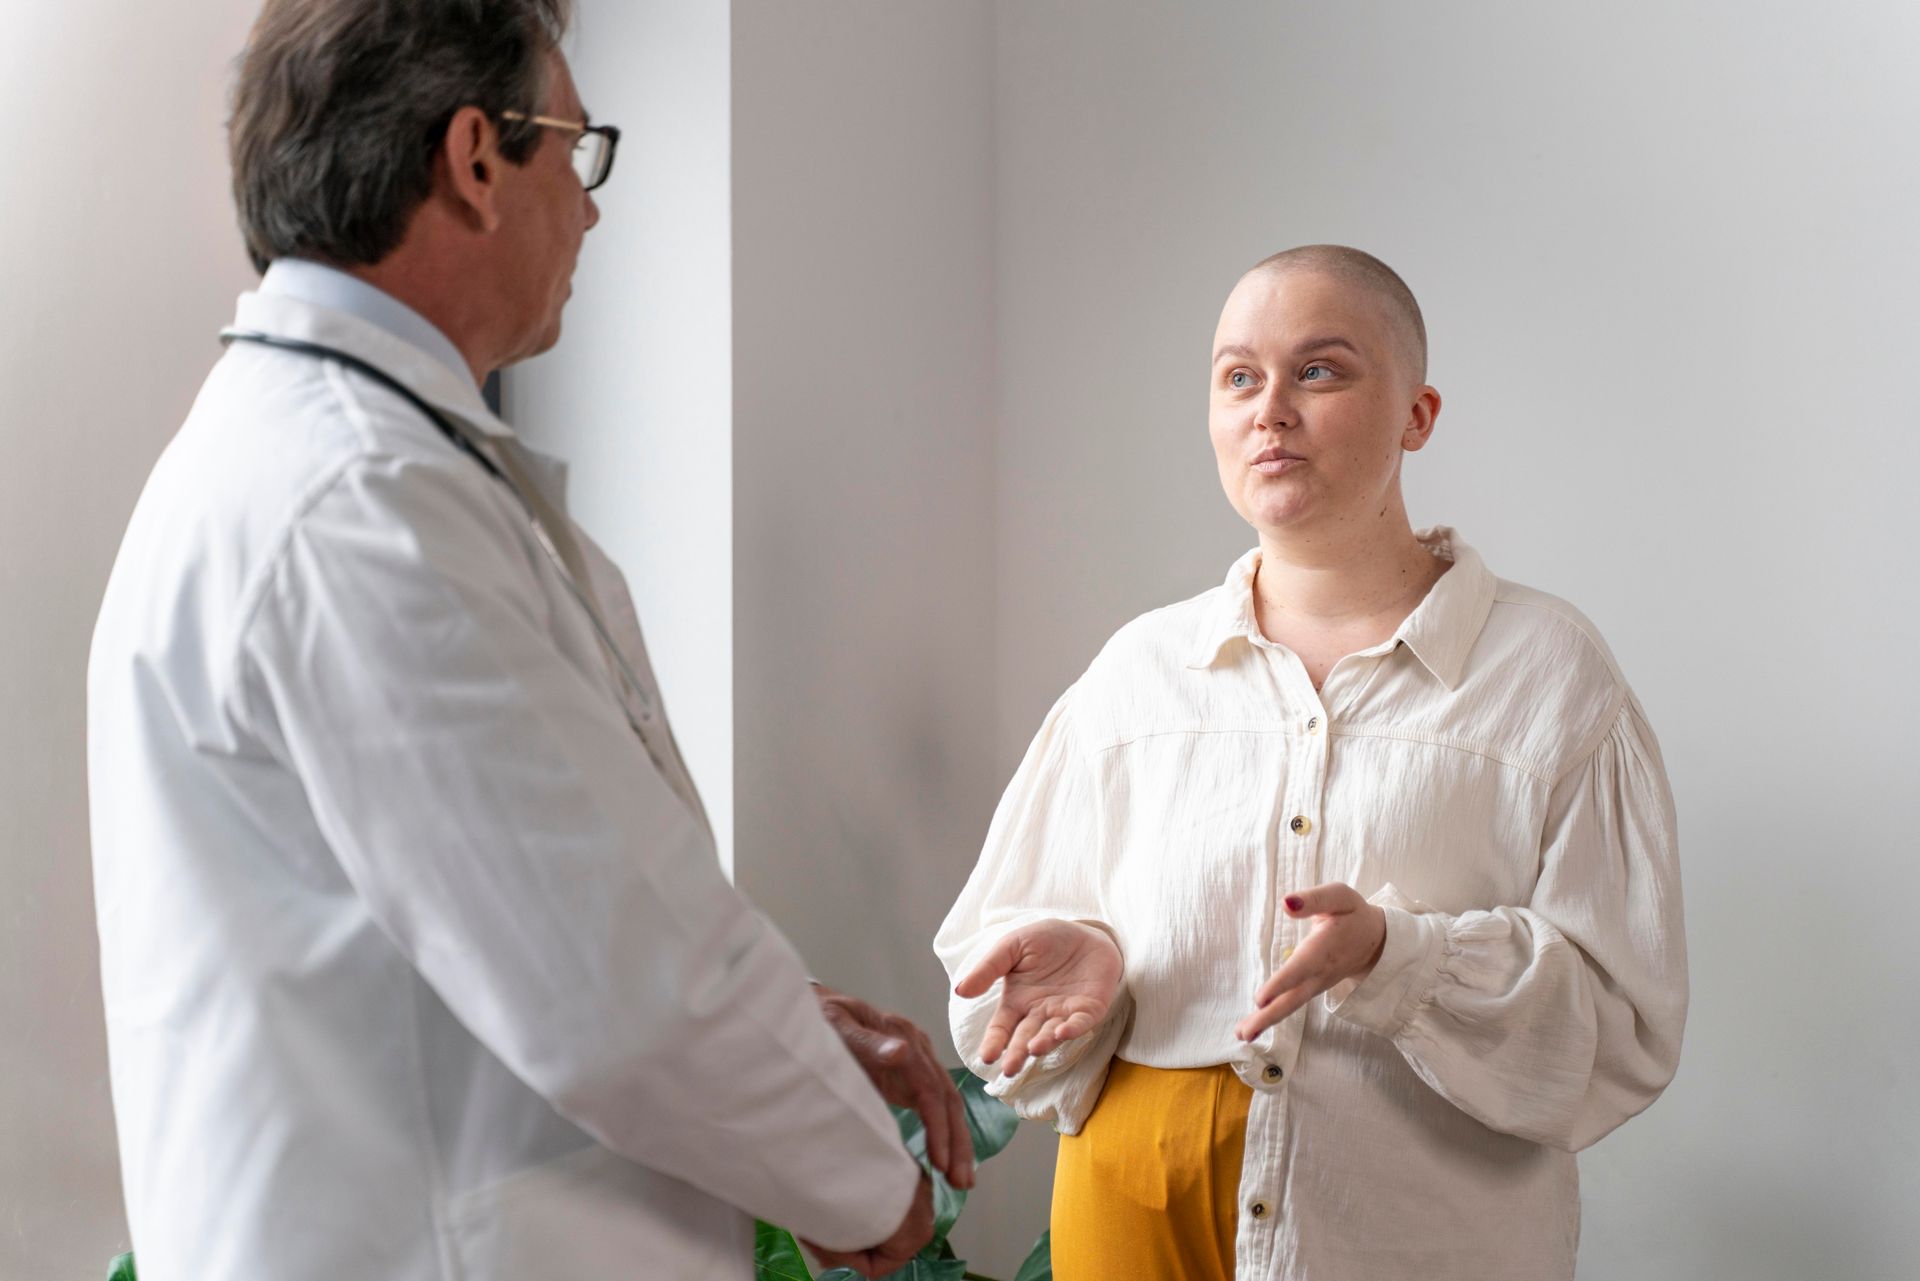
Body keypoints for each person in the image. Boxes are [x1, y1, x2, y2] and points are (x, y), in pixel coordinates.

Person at [85, 2, 970, 1278]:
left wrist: (783, 1029)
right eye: (577, 148)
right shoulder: (358, 501)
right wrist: (869, 1189)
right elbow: (614, 983)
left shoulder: (335, 464)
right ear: (475, 162)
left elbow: (501, 912)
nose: (593, 210)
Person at [935, 245, 1688, 1280]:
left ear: (1418, 416)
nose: (1269, 409)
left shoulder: (1548, 675)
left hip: (1412, 1239)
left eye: (1319, 371)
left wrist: (1401, 958)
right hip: (1128, 1218)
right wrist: (1095, 967)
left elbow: (1622, 1029)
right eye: (1239, 377)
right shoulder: (1136, 676)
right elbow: (993, 996)